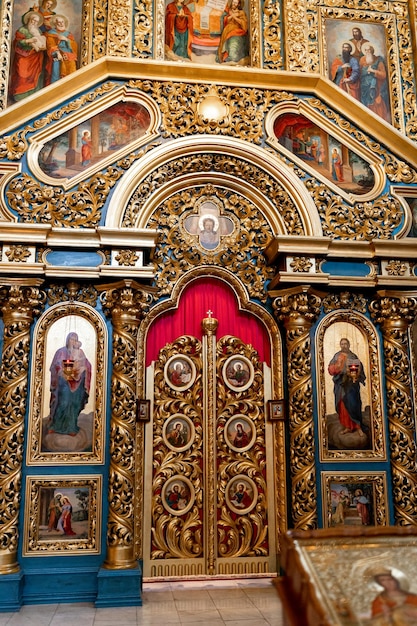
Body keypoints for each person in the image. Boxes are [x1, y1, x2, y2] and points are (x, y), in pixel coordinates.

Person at [48, 332, 92, 436]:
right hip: (64, 381)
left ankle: (71, 427)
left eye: (75, 339)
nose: (73, 342)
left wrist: (84, 368)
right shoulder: (61, 352)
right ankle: (56, 426)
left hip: (78, 382)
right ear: (67, 340)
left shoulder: (80, 352)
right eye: (71, 339)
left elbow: (86, 364)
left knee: (74, 403)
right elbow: (55, 365)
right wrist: (61, 371)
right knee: (63, 402)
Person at [328, 337, 367, 437]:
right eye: (342, 344)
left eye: (346, 344)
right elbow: (331, 369)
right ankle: (347, 427)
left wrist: (356, 374)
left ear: (349, 345)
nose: (344, 346)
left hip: (351, 385)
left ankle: (358, 426)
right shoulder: (337, 356)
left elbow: (359, 368)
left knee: (354, 404)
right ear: (340, 345)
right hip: (340, 384)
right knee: (343, 406)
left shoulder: (353, 356)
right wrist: (337, 367)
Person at [9, 11, 46, 102]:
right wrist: (28, 41)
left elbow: (42, 42)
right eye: (33, 20)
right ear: (29, 19)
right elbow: (17, 43)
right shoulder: (22, 30)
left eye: (36, 21)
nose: (34, 22)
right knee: (22, 75)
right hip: (23, 56)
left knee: (36, 75)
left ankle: (34, 96)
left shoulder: (38, 31)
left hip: (36, 57)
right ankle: (20, 96)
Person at [360, 44, 391, 123]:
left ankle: (378, 122)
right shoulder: (362, 60)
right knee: (365, 104)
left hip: (376, 86)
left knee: (376, 103)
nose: (367, 52)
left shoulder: (378, 60)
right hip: (364, 87)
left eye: (369, 50)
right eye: (366, 50)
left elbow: (383, 74)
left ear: (372, 50)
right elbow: (359, 73)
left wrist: (373, 71)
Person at [45, 14, 78, 85]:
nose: (61, 24)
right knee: (56, 70)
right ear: (55, 24)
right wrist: (57, 53)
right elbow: (50, 45)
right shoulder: (51, 33)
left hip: (68, 55)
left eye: (62, 22)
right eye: (59, 22)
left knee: (71, 71)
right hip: (57, 54)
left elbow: (74, 46)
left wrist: (66, 39)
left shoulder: (68, 34)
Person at [217, 0, 249, 64]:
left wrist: (235, 17)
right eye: (233, 2)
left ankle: (232, 57)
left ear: (239, 4)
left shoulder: (241, 13)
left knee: (234, 41)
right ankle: (225, 57)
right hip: (227, 31)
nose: (234, 4)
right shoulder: (229, 11)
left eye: (236, 3)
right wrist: (231, 16)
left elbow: (244, 23)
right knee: (226, 41)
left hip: (237, 30)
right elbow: (225, 20)